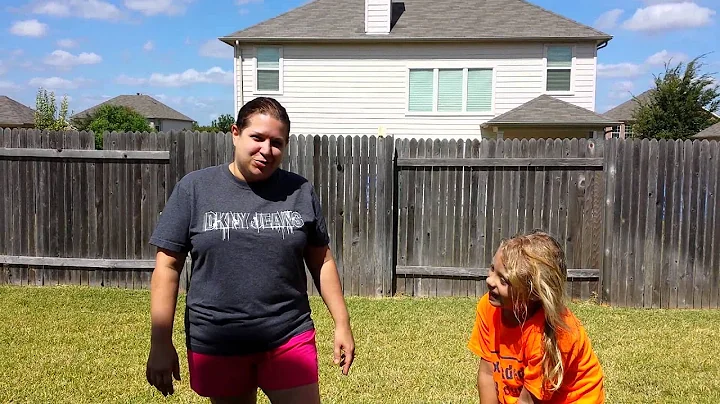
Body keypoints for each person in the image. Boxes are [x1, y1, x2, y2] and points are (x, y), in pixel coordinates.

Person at [145, 97, 355, 404]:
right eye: (257, 138)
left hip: (288, 334)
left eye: (277, 143)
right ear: (235, 133)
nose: (266, 150)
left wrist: (342, 323)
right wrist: (160, 342)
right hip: (217, 338)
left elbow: (322, 260)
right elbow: (167, 267)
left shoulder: (299, 191)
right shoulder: (195, 189)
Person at [467, 230, 604, 404]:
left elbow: (528, 401)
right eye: (493, 269)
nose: (490, 281)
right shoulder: (489, 307)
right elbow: (487, 372)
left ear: (532, 293)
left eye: (504, 280)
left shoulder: (552, 334)